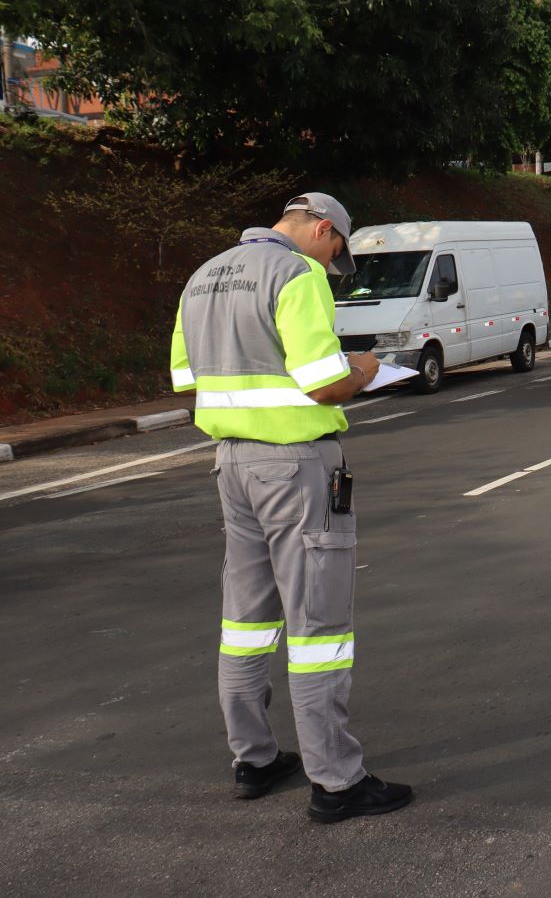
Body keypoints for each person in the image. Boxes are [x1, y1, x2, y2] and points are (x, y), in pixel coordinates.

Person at [169, 192, 414, 824]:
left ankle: (252, 759)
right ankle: (336, 782)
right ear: (323, 230)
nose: (334, 266)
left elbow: (187, 382)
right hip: (296, 469)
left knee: (245, 619)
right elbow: (323, 380)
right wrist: (364, 368)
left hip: (231, 463)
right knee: (318, 628)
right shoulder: (296, 274)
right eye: (337, 252)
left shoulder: (203, 276)